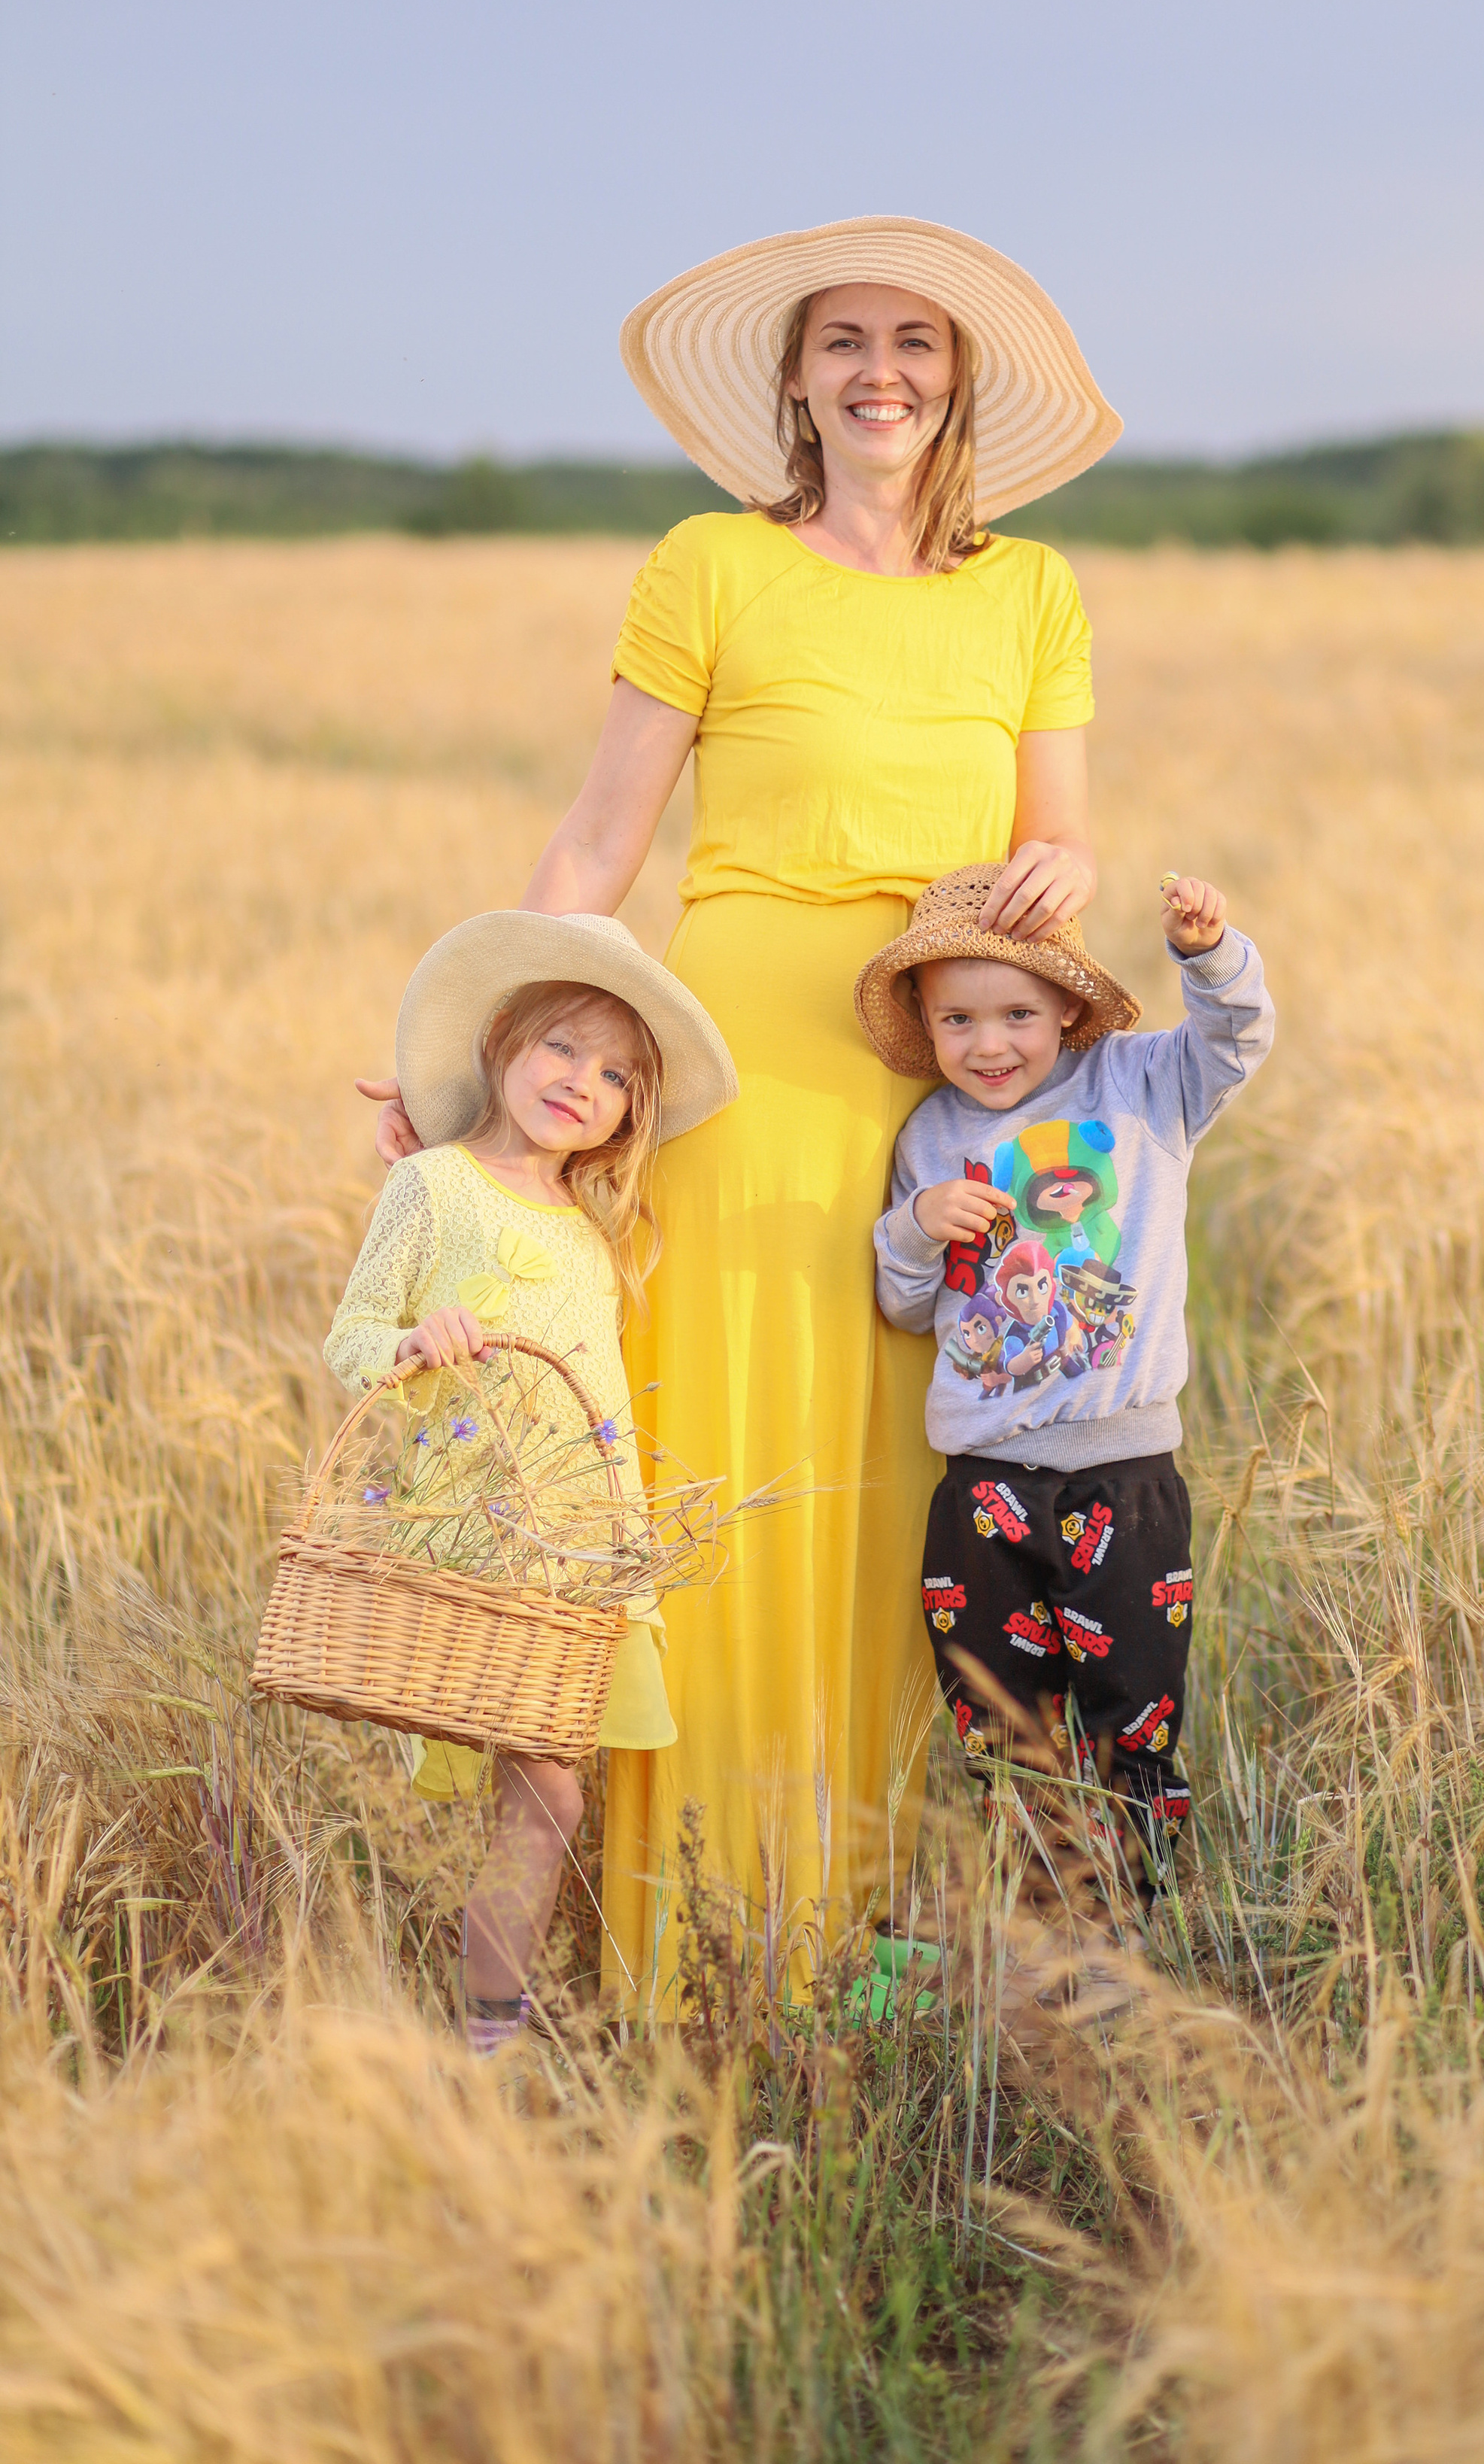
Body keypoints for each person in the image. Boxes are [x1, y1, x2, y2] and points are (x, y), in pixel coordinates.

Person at [359, 218, 1121, 2003]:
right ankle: (688, 1925)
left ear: (956, 378)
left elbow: (1062, 835)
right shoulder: (709, 563)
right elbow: (596, 845)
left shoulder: (1032, 592)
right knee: (722, 1470)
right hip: (737, 1069)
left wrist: (1067, 873)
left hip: (942, 1082)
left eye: (914, 342)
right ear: (792, 378)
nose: (879, 372)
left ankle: (869, 1931)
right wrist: (464, 1065)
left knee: (915, 1484)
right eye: (843, 340)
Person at [328, 910, 735, 2049]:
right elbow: (352, 1336)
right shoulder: (434, 1186)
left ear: (630, 1113)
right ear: (503, 1039)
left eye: (615, 1076)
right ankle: (489, 2032)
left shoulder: (599, 1223)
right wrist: (413, 1346)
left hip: (579, 1548)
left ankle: (489, 2027)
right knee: (548, 1791)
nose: (580, 1083)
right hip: (476, 1537)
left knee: (549, 1791)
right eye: (561, 1046)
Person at [863, 862, 1273, 1891]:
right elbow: (907, 1309)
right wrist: (914, 1229)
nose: (988, 1044)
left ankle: (1133, 1909)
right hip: (985, 1484)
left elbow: (1236, 1040)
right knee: (1000, 1716)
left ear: (1069, 1009)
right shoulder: (930, 1138)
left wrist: (1207, 955)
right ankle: (1038, 1906)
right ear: (925, 1023)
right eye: (957, 1020)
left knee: (1134, 1708)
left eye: (1018, 1014)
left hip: (1122, 1476)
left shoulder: (1139, 1086)